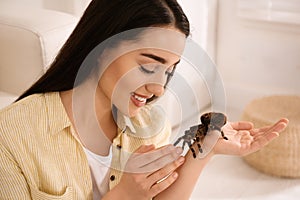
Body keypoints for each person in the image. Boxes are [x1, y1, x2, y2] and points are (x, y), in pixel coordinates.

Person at [0, 0, 289, 199]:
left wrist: (205, 149)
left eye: (168, 71)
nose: (160, 88)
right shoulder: (11, 135)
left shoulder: (149, 124)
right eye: (149, 66)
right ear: (102, 47)